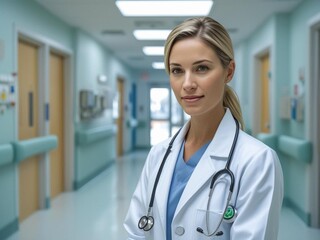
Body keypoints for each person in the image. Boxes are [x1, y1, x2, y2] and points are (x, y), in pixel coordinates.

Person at [124, 17, 283, 240]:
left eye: (201, 68)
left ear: (229, 72)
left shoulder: (257, 162)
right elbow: (136, 232)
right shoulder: (158, 155)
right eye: (177, 70)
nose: (187, 83)